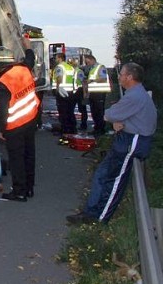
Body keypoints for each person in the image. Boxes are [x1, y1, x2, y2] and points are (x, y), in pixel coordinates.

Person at [67, 62, 157, 225]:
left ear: (130, 77)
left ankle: (99, 218)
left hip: (132, 141)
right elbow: (118, 115)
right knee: (103, 174)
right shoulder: (135, 94)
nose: (119, 77)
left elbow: (110, 114)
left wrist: (116, 119)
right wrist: (118, 120)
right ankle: (91, 211)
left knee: (113, 180)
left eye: (121, 74)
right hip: (127, 139)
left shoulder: (134, 96)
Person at [0, 37, 40, 202]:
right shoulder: (24, 69)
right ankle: (28, 189)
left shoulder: (2, 82)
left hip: (14, 126)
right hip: (30, 121)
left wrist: (1, 129)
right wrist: (27, 46)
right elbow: (30, 59)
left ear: (0, 65)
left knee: (16, 159)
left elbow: (3, 110)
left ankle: (19, 192)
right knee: (29, 156)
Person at [81, 54, 111, 136]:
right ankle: (96, 129)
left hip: (100, 93)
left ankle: (101, 130)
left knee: (99, 112)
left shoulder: (100, 67)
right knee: (94, 112)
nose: (87, 64)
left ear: (91, 60)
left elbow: (103, 78)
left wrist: (92, 80)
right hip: (93, 93)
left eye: (87, 62)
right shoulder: (92, 69)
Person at [52, 53, 77, 134]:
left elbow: (59, 78)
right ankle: (72, 129)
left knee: (63, 112)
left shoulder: (60, 67)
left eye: (56, 58)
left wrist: (57, 88)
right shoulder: (70, 67)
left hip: (62, 92)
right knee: (70, 111)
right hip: (70, 92)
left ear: (60, 58)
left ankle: (65, 130)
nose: (55, 60)